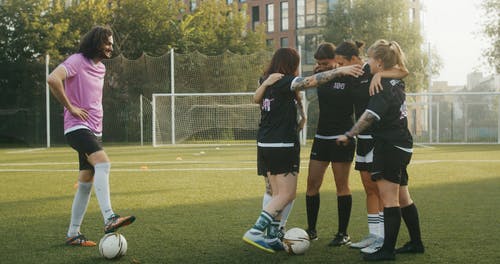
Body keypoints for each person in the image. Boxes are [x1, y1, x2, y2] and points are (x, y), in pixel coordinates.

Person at [243, 47, 363, 253]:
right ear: (291, 64)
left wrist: (301, 116)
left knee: (275, 192)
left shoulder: (267, 79)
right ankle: (256, 231)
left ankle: (272, 236)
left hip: (265, 143)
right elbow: (308, 83)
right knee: (287, 194)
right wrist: (338, 71)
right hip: (282, 145)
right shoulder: (284, 80)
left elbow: (257, 99)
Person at [47, 26, 136, 247]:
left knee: (86, 182)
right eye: (107, 43)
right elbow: (53, 79)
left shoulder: (102, 69)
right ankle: (109, 217)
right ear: (96, 42)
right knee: (103, 164)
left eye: (112, 44)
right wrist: (71, 107)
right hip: (77, 127)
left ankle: (73, 234)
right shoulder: (77, 60)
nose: (110, 48)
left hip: (95, 129)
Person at [337, 39, 424, 261]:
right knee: (403, 196)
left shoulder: (382, 87)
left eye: (369, 59)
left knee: (389, 199)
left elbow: (369, 116)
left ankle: (386, 251)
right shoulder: (394, 80)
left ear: (378, 62)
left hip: (389, 145)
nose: (367, 62)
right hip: (402, 143)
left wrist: (349, 134)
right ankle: (416, 243)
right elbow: (400, 72)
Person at [304, 42, 356, 247]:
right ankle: (311, 230)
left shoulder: (350, 76)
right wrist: (321, 73)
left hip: (343, 137)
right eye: (318, 63)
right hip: (322, 136)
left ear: (336, 59)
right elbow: (307, 86)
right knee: (312, 185)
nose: (321, 65)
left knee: (341, 186)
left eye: (325, 62)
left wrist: (340, 70)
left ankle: (343, 234)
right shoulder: (321, 77)